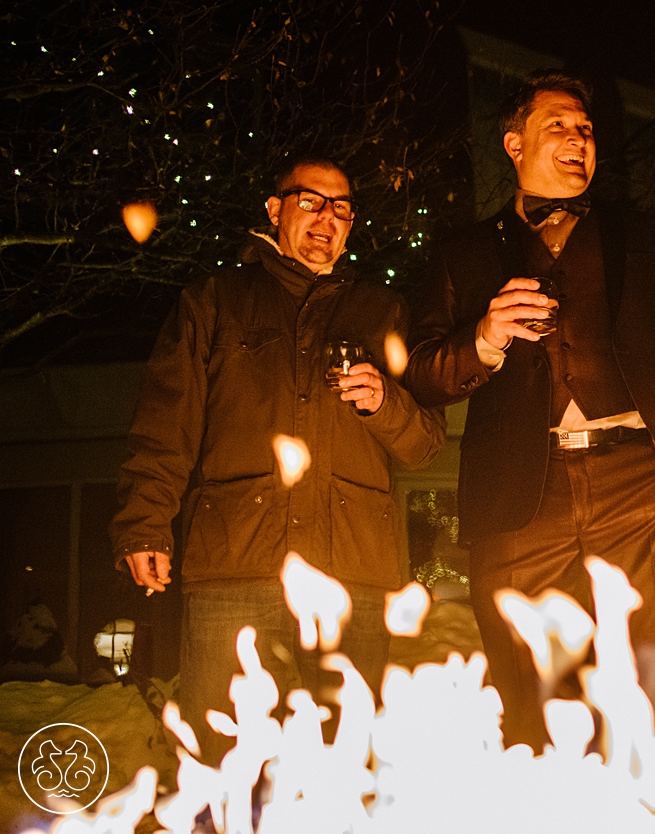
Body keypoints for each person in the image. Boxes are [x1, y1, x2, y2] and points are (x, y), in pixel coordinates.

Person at [404, 71, 655, 751]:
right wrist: (485, 339)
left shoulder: (646, 238)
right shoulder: (461, 252)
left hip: (639, 484)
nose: (580, 139)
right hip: (519, 493)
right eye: (559, 125)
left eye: (585, 129)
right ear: (513, 142)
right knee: (532, 698)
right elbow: (424, 376)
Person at [111, 156, 445, 762]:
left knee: (342, 763)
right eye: (310, 201)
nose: (327, 218)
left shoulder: (385, 312)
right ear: (275, 209)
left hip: (354, 581)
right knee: (220, 758)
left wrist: (383, 402)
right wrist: (144, 523)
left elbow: (424, 446)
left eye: (342, 209)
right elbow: (165, 427)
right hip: (235, 569)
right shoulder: (213, 303)